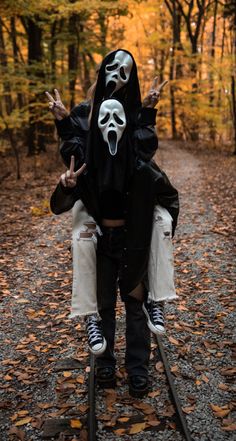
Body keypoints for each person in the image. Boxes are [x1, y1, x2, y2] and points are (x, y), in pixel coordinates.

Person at [50, 49, 179, 397]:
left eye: (125, 70)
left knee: (135, 300)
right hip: (99, 224)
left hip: (132, 227)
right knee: (104, 300)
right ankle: (105, 365)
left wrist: (147, 111)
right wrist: (64, 122)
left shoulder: (138, 148)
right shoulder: (86, 123)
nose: (117, 75)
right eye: (112, 68)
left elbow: (147, 156)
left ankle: (137, 368)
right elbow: (73, 155)